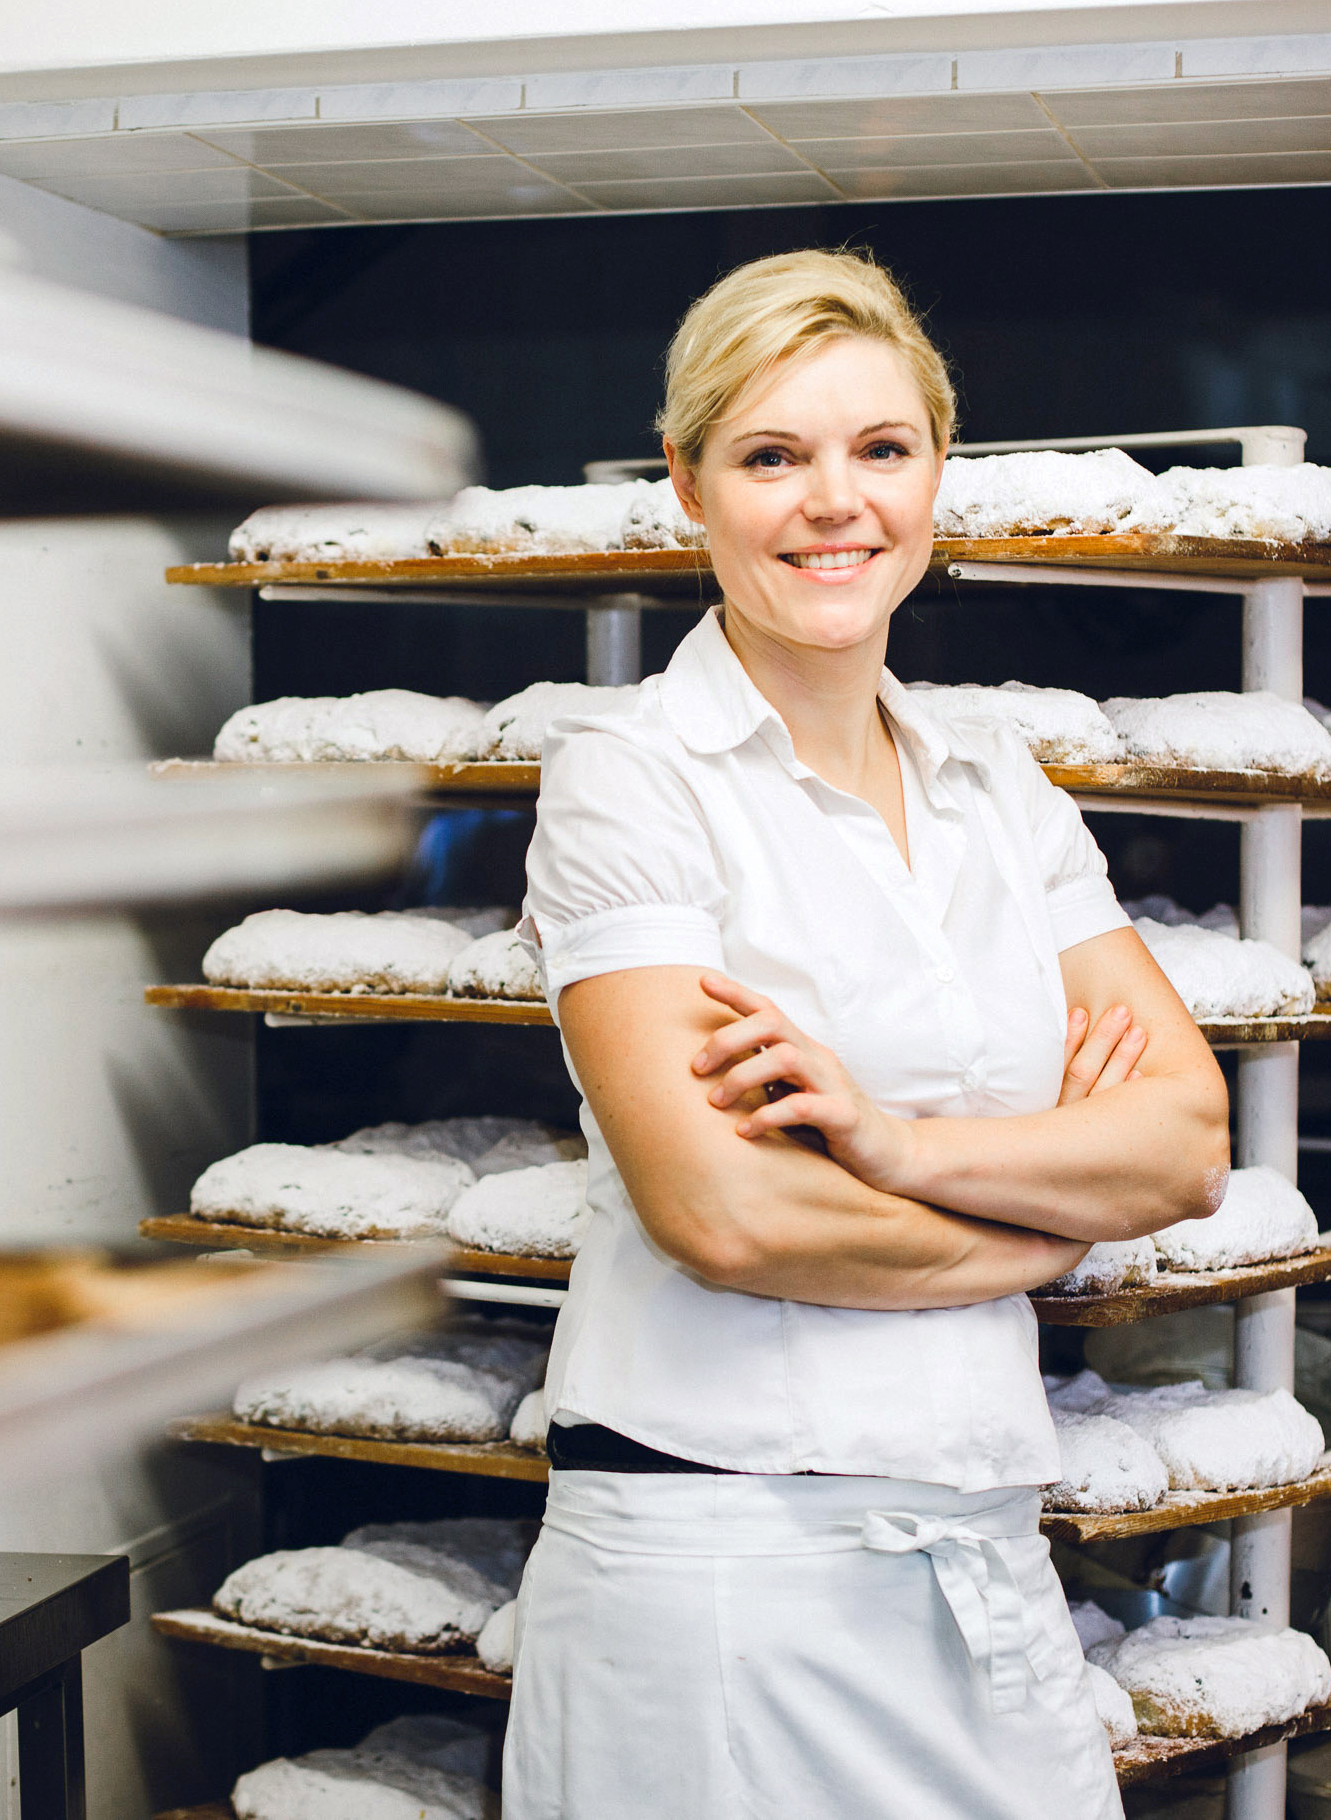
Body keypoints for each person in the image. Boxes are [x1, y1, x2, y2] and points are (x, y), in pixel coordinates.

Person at [501, 248, 1231, 1819]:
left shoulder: (997, 781)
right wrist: (1043, 1225)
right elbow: (728, 1206)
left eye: (879, 450)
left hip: (982, 1556)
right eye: (773, 455)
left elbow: (1183, 1139)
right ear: (689, 483)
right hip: (721, 1579)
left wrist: (897, 1146)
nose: (836, 502)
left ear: (936, 471)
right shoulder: (632, 777)